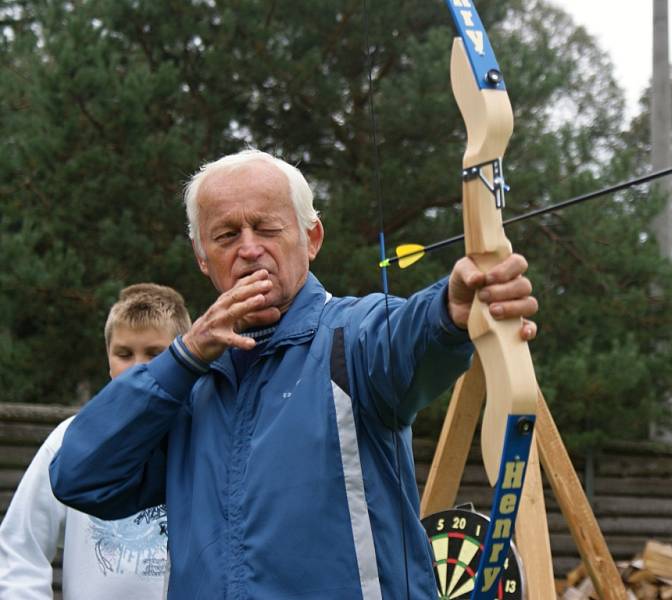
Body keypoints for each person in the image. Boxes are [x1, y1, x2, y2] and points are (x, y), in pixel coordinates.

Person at [49, 149, 539, 599]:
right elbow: (80, 476)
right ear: (202, 258)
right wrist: (185, 357)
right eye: (225, 235)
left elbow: (408, 336)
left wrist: (449, 311)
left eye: (267, 229)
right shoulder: (186, 384)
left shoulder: (351, 339)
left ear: (312, 239)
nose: (249, 249)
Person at [0, 284, 191, 600]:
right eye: (124, 354)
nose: (138, 367)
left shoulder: (199, 437)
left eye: (156, 354)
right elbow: (19, 546)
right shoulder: (70, 441)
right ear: (108, 359)